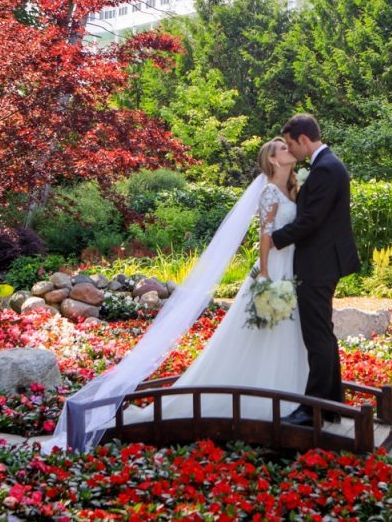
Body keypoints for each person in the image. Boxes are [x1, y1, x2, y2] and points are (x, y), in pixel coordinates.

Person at [117, 137, 310, 423]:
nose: (289, 150)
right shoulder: (270, 191)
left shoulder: (292, 189)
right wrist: (266, 274)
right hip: (274, 267)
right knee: (267, 329)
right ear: (272, 159)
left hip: (292, 265)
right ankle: (263, 396)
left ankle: (290, 390)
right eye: (283, 148)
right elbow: (265, 235)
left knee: (287, 330)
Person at [271, 114, 361, 426]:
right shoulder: (329, 165)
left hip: (318, 264)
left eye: (292, 144)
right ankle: (331, 406)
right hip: (324, 262)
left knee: (317, 337)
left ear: (304, 139)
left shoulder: (325, 169)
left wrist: (274, 240)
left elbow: (311, 221)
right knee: (323, 334)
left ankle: (313, 411)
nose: (291, 150)